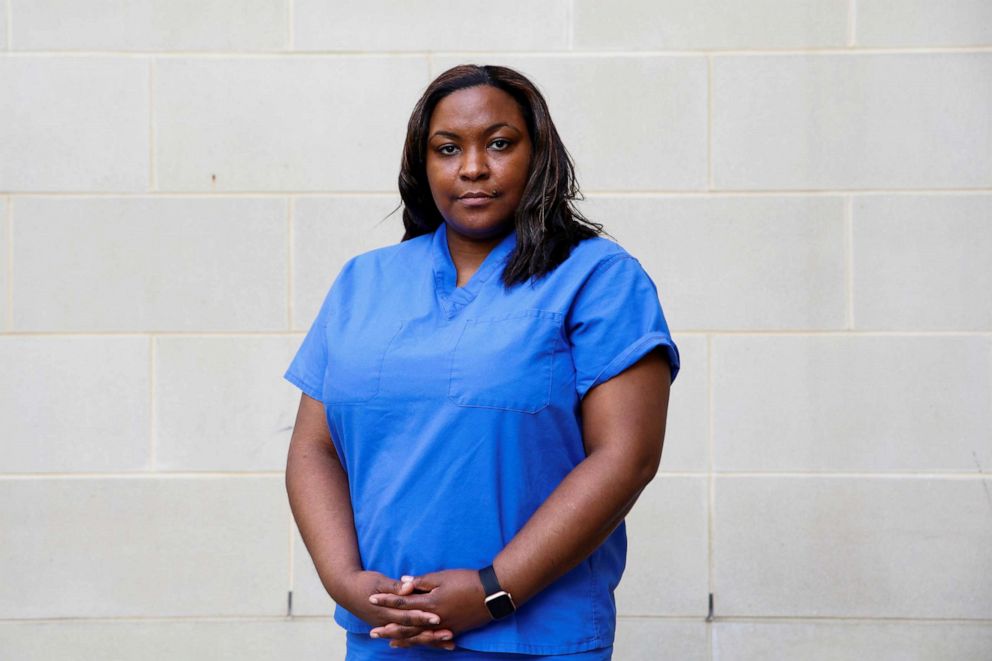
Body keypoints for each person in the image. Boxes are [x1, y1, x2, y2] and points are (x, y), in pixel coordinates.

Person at [284, 64, 680, 660]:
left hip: (534, 638)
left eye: (499, 143)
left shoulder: (599, 278)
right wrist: (346, 583)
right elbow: (314, 447)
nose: (472, 167)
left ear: (539, 153)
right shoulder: (364, 281)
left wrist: (494, 591)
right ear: (423, 165)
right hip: (388, 635)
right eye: (448, 149)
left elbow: (626, 457)